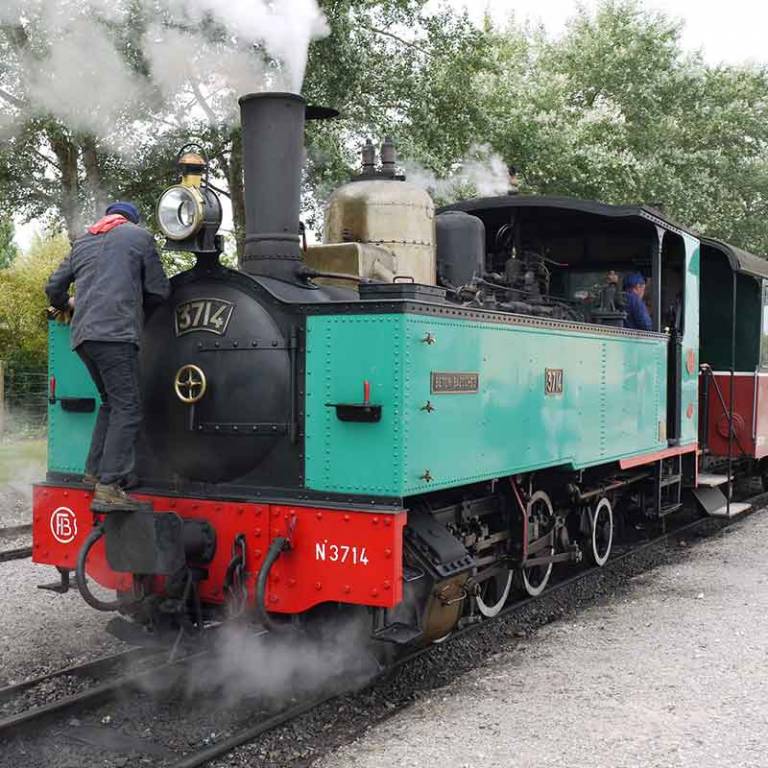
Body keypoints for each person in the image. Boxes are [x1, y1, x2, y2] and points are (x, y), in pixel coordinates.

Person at [46, 201, 170, 511]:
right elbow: (159, 291)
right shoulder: (139, 237)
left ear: (108, 217)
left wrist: (70, 302)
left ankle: (93, 472)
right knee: (128, 408)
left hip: (83, 338)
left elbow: (53, 288)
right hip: (115, 335)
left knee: (110, 403)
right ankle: (110, 485)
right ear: (131, 220)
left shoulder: (83, 241)